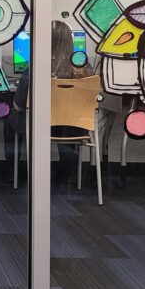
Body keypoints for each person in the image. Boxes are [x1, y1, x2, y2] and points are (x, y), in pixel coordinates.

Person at [50, 21, 91, 187]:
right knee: (67, 119)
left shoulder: (39, 65)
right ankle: (66, 172)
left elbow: (21, 101)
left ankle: (14, 171)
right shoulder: (84, 66)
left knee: (15, 118)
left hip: (49, 125)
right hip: (78, 126)